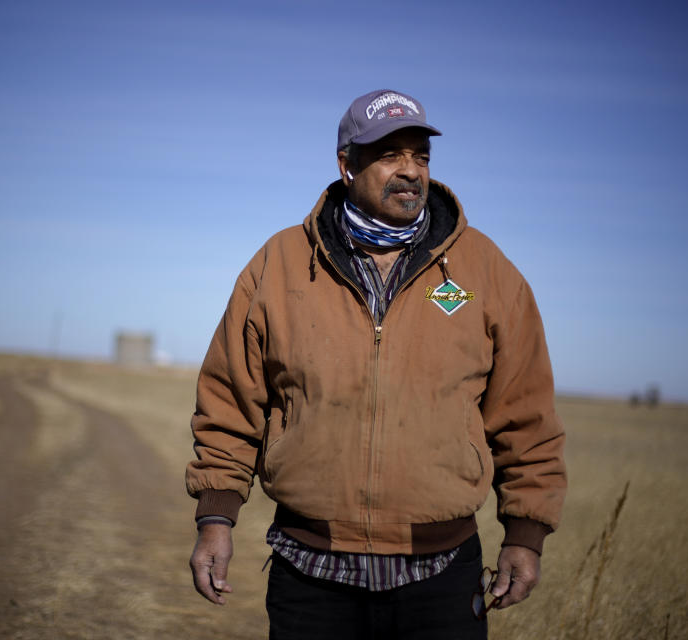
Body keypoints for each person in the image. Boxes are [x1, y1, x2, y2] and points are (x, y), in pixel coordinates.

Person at [185, 89, 567, 639]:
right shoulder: (280, 264)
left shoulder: (488, 272)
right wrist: (216, 519)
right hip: (310, 571)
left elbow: (525, 414)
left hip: (440, 573)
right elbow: (229, 401)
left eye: (421, 155)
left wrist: (525, 535)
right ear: (347, 165)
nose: (410, 171)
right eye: (390, 154)